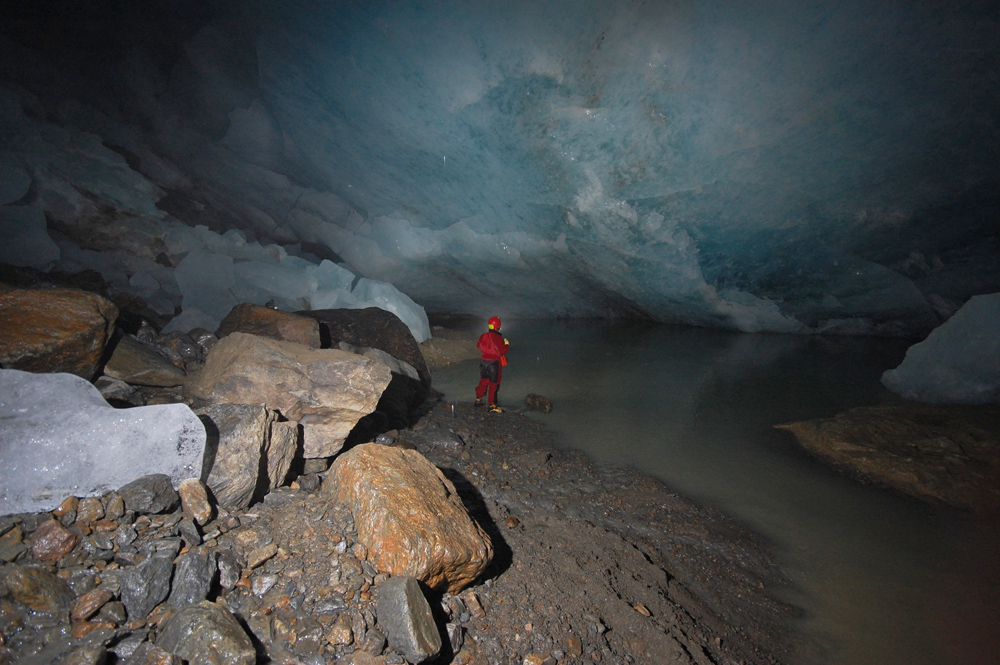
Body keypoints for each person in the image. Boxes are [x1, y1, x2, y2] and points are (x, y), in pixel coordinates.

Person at [475, 316, 509, 413]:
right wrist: (506, 344)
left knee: (484, 380)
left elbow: (479, 345)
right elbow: (503, 351)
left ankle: (478, 399)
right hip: (493, 364)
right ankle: (492, 404)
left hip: (483, 362)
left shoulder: (484, 335)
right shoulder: (498, 338)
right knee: (494, 384)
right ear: (498, 327)